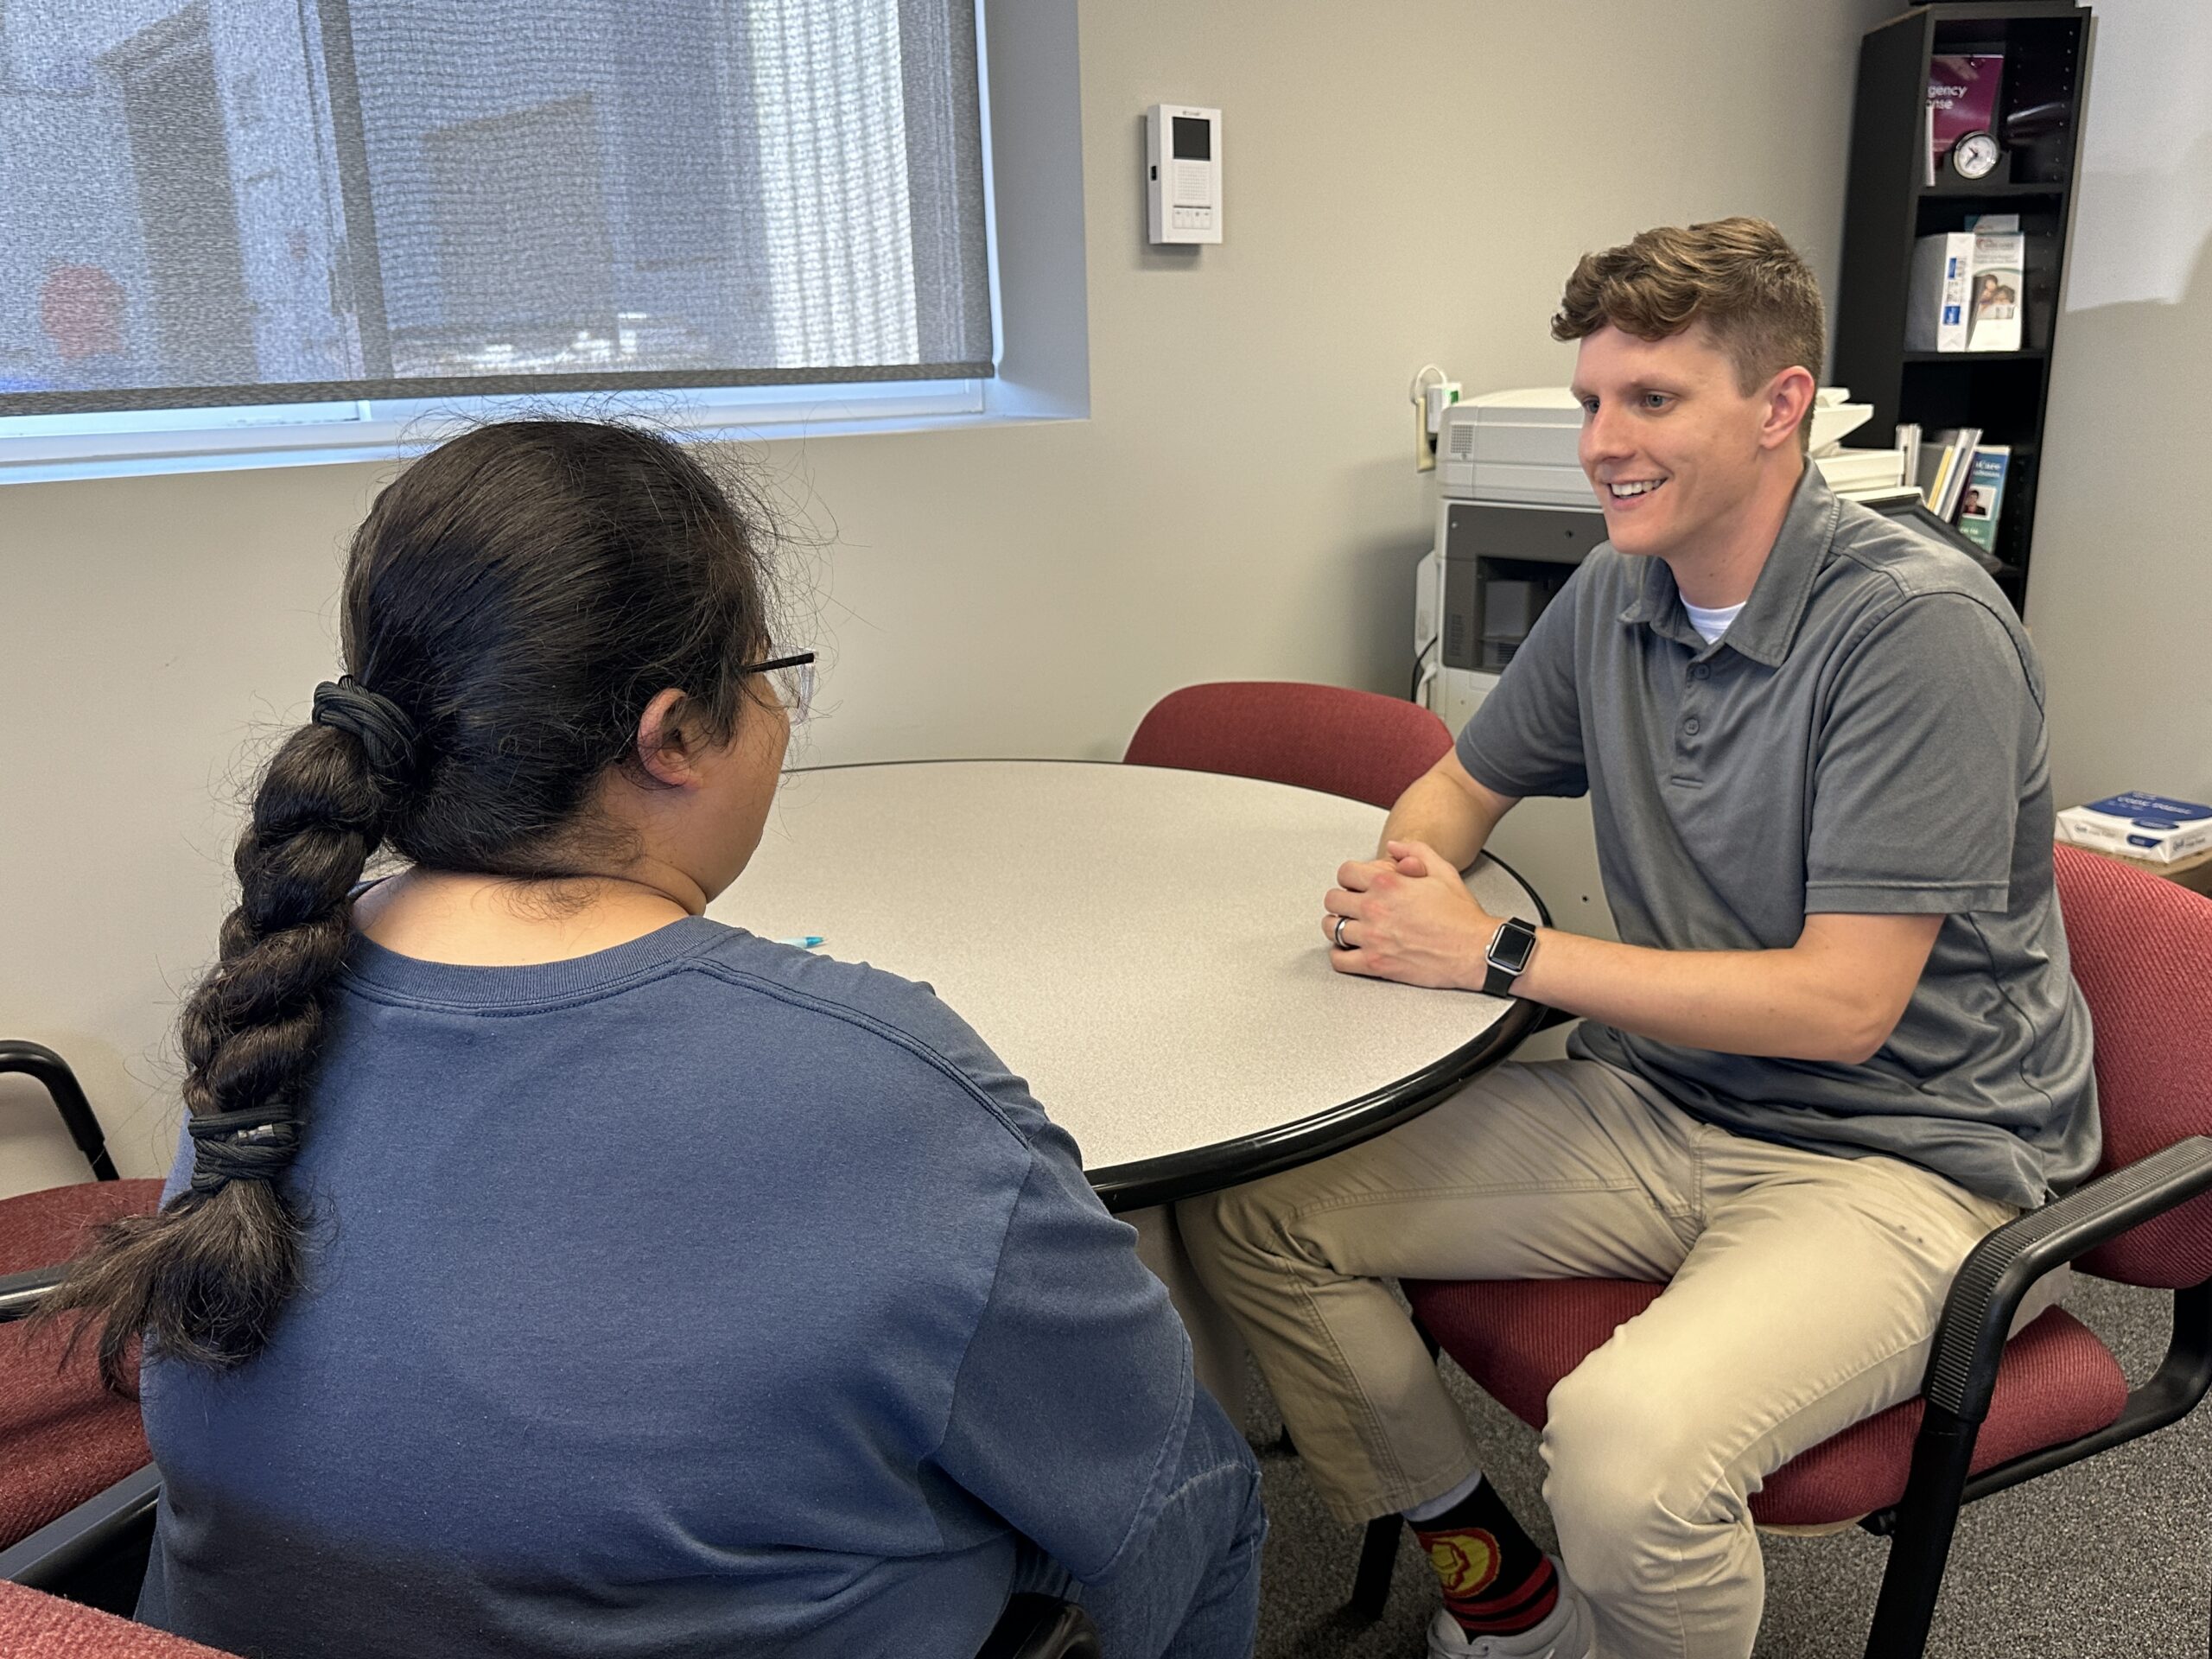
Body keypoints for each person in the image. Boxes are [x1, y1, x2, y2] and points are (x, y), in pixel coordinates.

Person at [41, 420, 1263, 1659]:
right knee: (1159, 1485)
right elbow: (1172, 1494)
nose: (780, 708)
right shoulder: (889, 1089)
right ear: (674, 735)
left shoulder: (272, 995)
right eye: (769, 671)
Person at [1179, 218, 2094, 1659]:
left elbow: (1847, 1006)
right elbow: (1461, 781)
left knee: (1625, 1449)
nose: (1604, 441)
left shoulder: (1917, 633)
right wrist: (1407, 878)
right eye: (1595, 400)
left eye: (1652, 401)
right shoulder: (1622, 587)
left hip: (1909, 1154)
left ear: (1781, 408)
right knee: (1256, 1208)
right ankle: (1509, 1600)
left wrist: (1488, 955)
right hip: (1667, 1090)